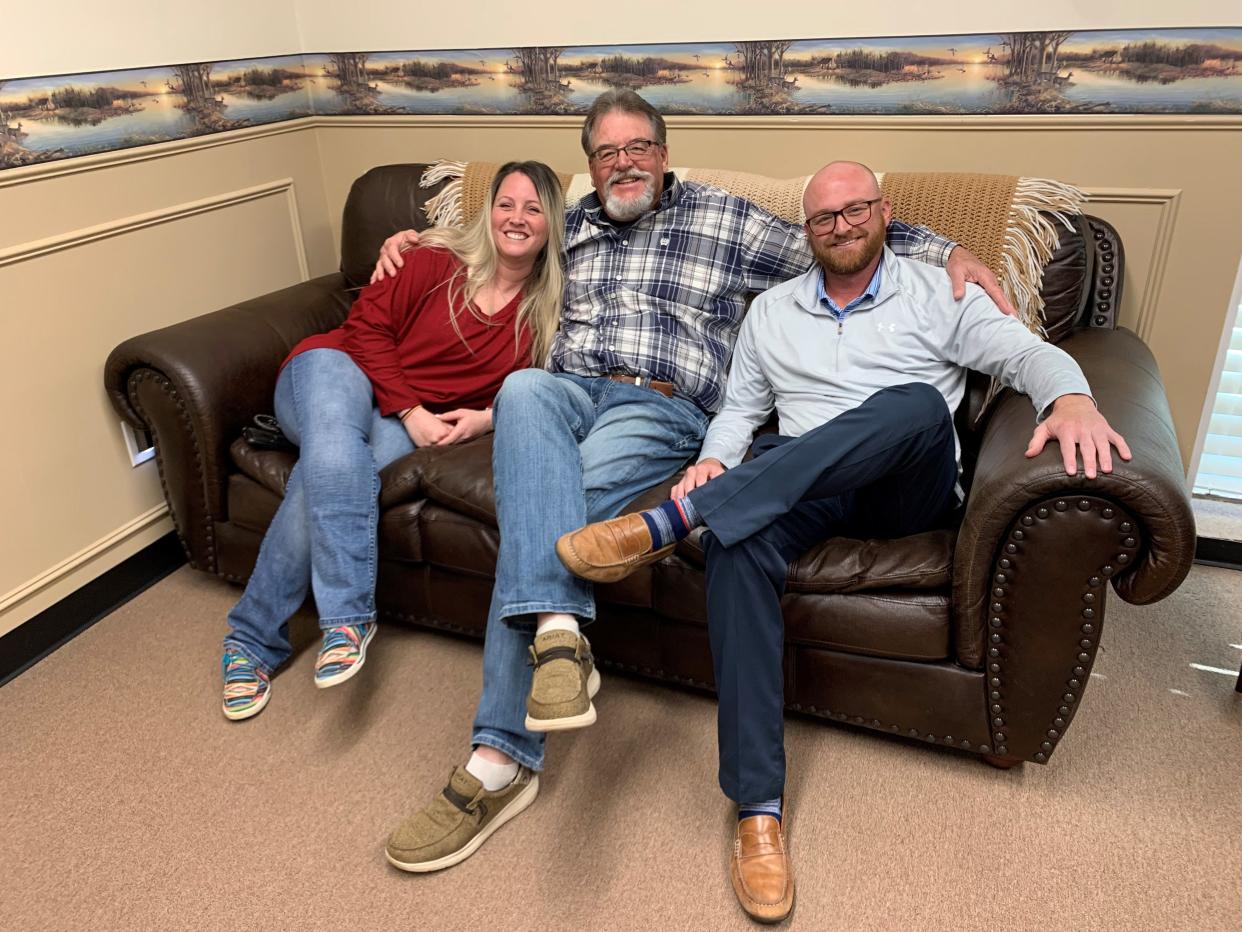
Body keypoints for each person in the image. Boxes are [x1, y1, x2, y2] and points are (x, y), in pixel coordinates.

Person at [376, 91, 1014, 875]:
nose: (625, 164)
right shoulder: (569, 225)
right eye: (607, 154)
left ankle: (497, 761)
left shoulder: (727, 219)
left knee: (546, 513)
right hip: (566, 390)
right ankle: (559, 636)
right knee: (520, 393)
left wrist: (947, 250)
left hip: (659, 405)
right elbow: (495, 236)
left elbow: (840, 239)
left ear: (664, 152)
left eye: (638, 147)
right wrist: (412, 238)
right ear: (590, 168)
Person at [556, 160, 1130, 922]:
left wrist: (1073, 397)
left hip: (904, 490)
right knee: (739, 542)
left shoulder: (938, 292)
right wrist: (713, 460)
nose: (842, 227)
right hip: (802, 486)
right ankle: (758, 811)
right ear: (808, 231)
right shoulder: (772, 312)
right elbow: (738, 409)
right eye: (825, 218)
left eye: (856, 210)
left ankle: (666, 524)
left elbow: (1026, 353)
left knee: (916, 405)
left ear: (883, 212)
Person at [220, 161, 565, 721]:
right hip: (335, 371)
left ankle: (248, 640)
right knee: (334, 449)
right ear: (488, 211)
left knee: (329, 476)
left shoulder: (547, 315)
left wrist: (484, 417)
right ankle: (346, 620)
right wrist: (411, 409)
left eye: (533, 208)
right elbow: (364, 330)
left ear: (552, 224)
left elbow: (548, 391)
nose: (516, 218)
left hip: (397, 419)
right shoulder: (432, 259)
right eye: (506, 203)